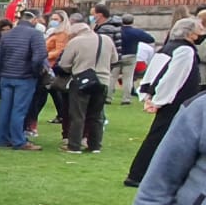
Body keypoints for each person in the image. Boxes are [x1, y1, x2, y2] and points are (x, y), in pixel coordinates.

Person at [128, 17, 206, 186]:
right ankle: (138, 174)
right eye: (199, 31)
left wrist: (148, 95)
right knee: (161, 137)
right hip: (177, 102)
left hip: (170, 101)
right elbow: (174, 78)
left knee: (160, 136)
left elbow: (153, 73)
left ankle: (141, 173)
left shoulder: (168, 47)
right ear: (191, 34)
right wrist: (158, 100)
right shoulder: (185, 51)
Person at [56, 17, 115, 155]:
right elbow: (115, 59)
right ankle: (95, 145)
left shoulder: (75, 42)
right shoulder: (106, 40)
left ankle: (74, 146)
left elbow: (64, 64)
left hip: (81, 81)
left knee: (78, 114)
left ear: (74, 33)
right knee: (96, 115)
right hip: (102, 80)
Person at [0, 9, 48, 151]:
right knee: (19, 109)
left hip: (6, 76)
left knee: (5, 109)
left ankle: (3, 138)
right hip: (25, 77)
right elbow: (39, 56)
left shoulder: (7, 34)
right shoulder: (36, 34)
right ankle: (18, 140)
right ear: (35, 20)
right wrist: (35, 72)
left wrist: (1, 72)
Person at [116, 15, 156, 105]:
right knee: (128, 78)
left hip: (117, 55)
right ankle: (126, 98)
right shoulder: (136, 32)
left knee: (112, 77)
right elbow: (150, 39)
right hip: (130, 55)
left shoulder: (117, 31)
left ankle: (108, 97)